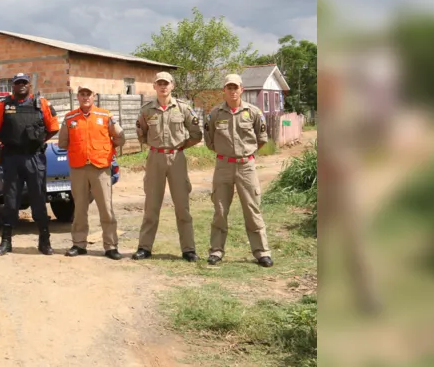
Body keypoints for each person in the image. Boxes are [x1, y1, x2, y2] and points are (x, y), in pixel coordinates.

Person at [203, 74, 273, 267]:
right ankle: (216, 251)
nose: (233, 91)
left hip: (246, 167)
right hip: (223, 166)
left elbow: (261, 138)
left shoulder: (253, 112)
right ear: (224, 90)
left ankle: (262, 252)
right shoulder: (215, 113)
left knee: (252, 209)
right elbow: (209, 140)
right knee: (220, 210)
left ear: (242, 89)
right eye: (229, 87)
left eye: (236, 87)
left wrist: (245, 154)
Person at [0, 72, 59, 255]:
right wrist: (11, 142)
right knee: (10, 201)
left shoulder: (41, 104)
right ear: (13, 86)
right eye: (18, 83)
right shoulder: (2, 105)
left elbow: (52, 128)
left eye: (24, 83)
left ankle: (44, 242)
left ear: (29, 85)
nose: (21, 86)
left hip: (34, 158)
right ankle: (6, 242)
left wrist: (38, 141)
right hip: (12, 158)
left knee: (39, 201)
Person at [133, 71, 203, 262]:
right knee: (151, 206)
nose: (163, 87)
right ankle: (144, 247)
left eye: (166, 83)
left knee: (182, 206)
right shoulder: (147, 110)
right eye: (159, 83)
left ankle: (188, 249)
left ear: (172, 86)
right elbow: (141, 134)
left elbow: (196, 133)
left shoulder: (183, 109)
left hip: (177, 159)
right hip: (155, 158)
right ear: (154, 86)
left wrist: (180, 147)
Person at [58, 85, 126, 259]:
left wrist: (106, 149)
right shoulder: (69, 117)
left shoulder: (105, 115)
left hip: (101, 168)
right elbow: (63, 142)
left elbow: (119, 136)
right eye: (82, 94)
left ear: (94, 96)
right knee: (79, 208)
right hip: (78, 168)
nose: (85, 97)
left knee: (106, 208)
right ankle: (79, 244)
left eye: (88, 94)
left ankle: (111, 246)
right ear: (78, 96)